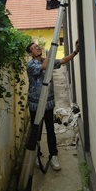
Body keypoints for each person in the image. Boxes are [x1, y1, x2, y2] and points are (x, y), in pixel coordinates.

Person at [26, 39, 80, 171]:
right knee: (36, 131)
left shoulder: (47, 60)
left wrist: (75, 52)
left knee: (50, 129)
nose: (38, 48)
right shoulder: (31, 65)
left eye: (38, 46)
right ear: (31, 53)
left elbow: (62, 61)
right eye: (34, 48)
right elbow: (43, 67)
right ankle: (36, 156)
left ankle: (53, 155)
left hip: (48, 103)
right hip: (36, 104)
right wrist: (50, 54)